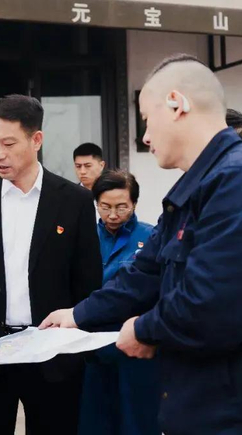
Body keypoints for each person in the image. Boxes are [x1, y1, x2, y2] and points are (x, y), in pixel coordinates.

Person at [41, 54, 242, 435]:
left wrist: (145, 330)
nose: (145, 137)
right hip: (192, 406)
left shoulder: (241, 180)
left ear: (176, 104)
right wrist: (77, 314)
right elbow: (144, 274)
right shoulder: (194, 188)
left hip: (232, 413)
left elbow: (214, 302)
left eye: (147, 119)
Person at [0, 94, 102, 435]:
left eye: (8, 144)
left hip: (52, 354)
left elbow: (87, 280)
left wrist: (77, 343)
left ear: (36, 139)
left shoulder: (75, 201)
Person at [78, 170, 159, 435]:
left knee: (137, 422)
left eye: (121, 207)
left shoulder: (151, 237)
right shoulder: (85, 237)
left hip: (135, 348)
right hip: (91, 348)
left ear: (134, 203)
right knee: (95, 423)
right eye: (105, 207)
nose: (113, 215)